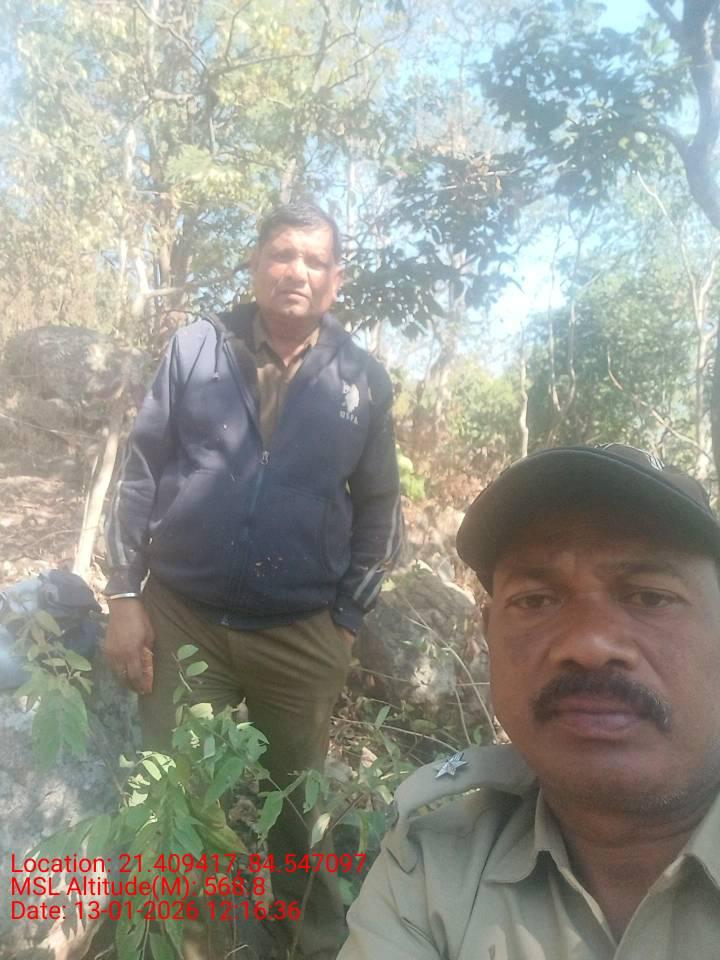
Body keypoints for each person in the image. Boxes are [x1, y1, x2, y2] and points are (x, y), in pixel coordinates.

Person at [103, 201, 403, 959]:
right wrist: (124, 595)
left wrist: (347, 620)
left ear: (335, 280)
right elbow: (140, 473)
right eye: (281, 254)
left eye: (313, 260)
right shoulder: (197, 347)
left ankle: (311, 941)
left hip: (301, 631)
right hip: (183, 618)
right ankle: (184, 940)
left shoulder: (362, 378)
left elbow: (380, 508)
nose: (295, 271)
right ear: (256, 263)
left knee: (300, 808)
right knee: (175, 793)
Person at [339, 443, 720, 960]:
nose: (587, 644)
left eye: (650, 597)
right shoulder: (428, 871)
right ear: (488, 636)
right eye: (535, 600)